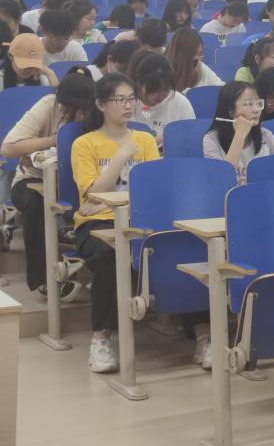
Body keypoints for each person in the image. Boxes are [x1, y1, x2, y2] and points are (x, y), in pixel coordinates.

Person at [71, 72, 160, 373]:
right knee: (111, 255)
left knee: (180, 246)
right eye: (119, 100)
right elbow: (93, 194)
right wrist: (121, 156)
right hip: (96, 223)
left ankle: (203, 335)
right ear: (100, 104)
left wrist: (108, 199)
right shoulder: (85, 144)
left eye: (131, 99)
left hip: (140, 218)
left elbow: (154, 189)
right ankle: (100, 339)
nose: (127, 105)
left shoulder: (145, 139)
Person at [3, 69, 95, 300]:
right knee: (36, 203)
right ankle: (44, 280)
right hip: (33, 179)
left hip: (80, 182)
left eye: (84, 109)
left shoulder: (96, 112)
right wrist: (56, 140)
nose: (80, 115)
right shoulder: (48, 105)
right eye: (73, 109)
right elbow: (9, 148)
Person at [203, 81, 274, 183]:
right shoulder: (211, 139)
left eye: (258, 103)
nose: (256, 110)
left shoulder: (265, 135)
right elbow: (222, 180)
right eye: (249, 104)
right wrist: (239, 136)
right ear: (230, 110)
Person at [132, 52, 196, 142]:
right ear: (139, 84)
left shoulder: (180, 103)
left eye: (166, 90)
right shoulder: (128, 102)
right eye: (154, 91)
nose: (161, 96)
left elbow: (191, 137)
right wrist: (157, 140)